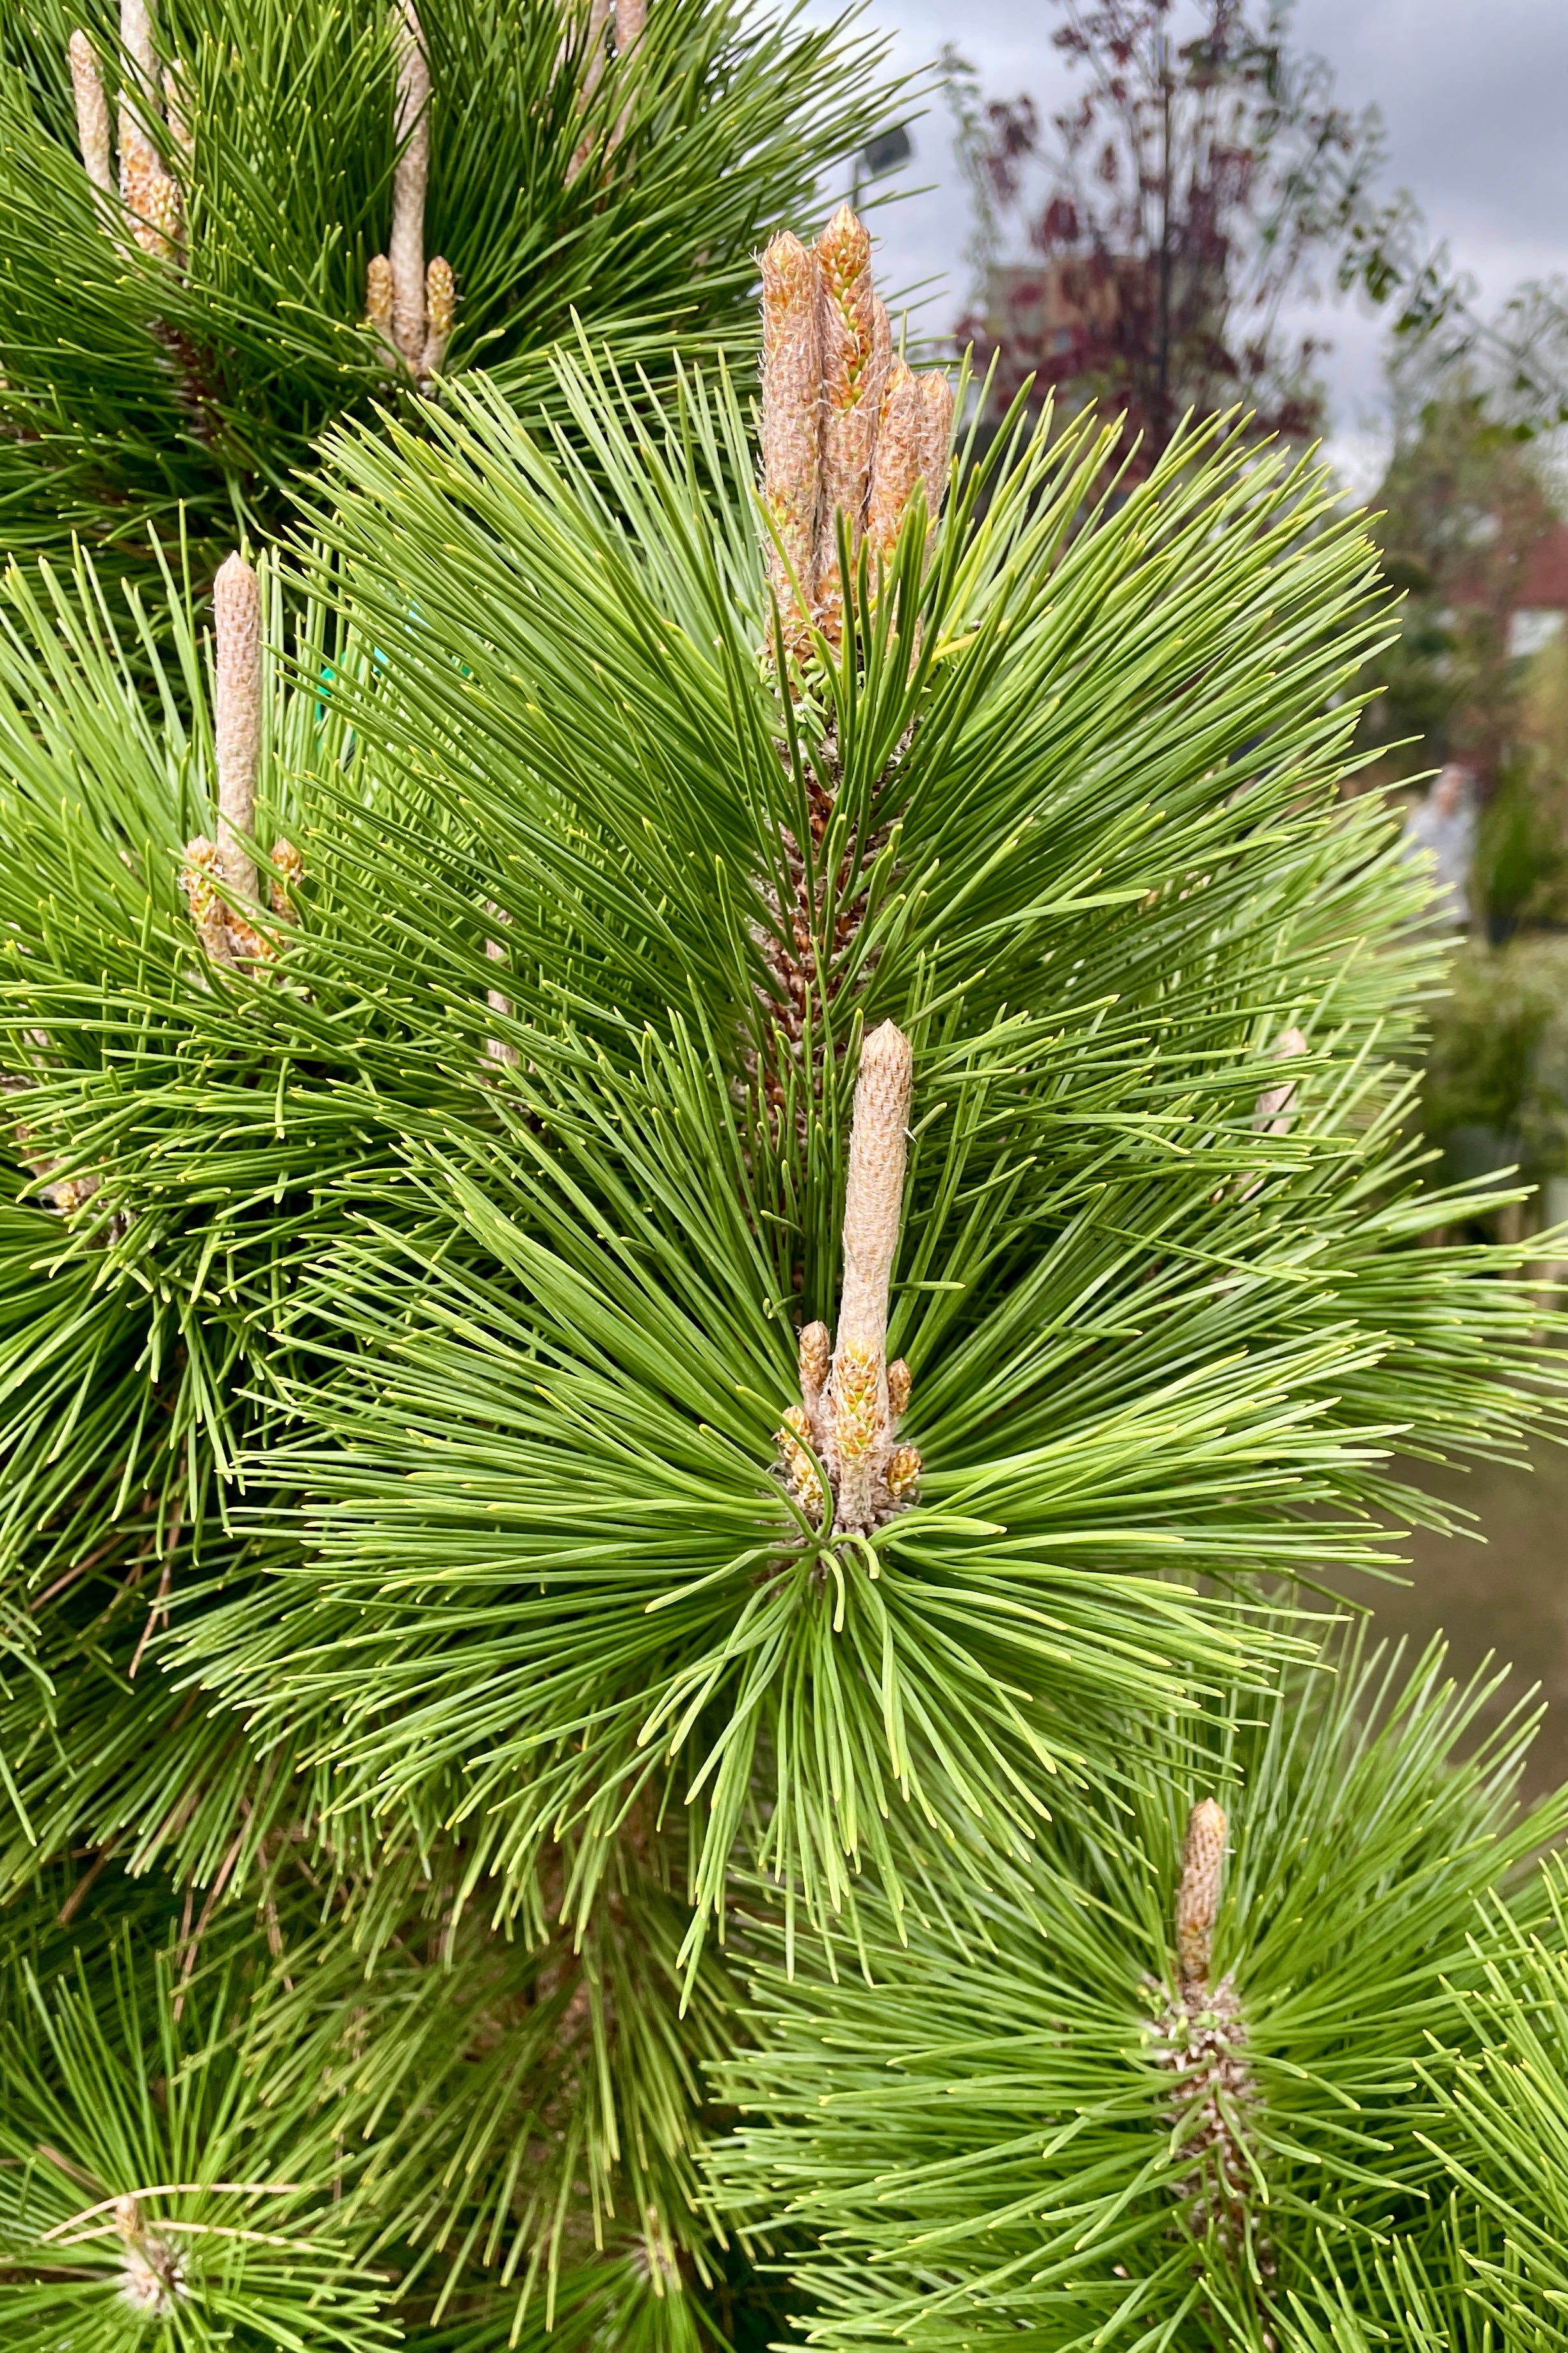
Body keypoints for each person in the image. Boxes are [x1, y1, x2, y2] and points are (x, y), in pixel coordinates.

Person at [1403, 762, 1477, 929]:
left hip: (1452, 882)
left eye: (1458, 787)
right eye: (1449, 784)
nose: (1453, 791)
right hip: (1423, 878)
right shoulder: (1422, 819)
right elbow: (1409, 849)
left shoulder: (1465, 822)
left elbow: (1467, 854)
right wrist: (1427, 867)